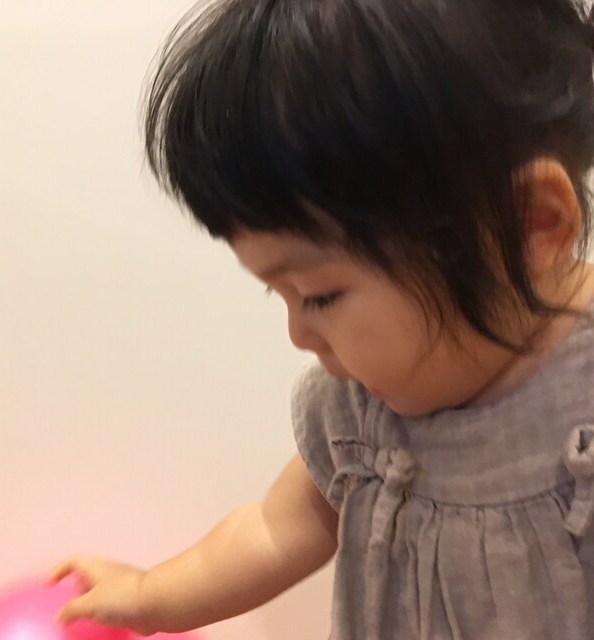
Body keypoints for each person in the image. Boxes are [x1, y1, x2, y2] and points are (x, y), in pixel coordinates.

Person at [50, 0, 594, 637]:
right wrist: (149, 596)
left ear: (531, 227)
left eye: (320, 296)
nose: (299, 336)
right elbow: (274, 528)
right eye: (278, 293)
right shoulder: (364, 415)